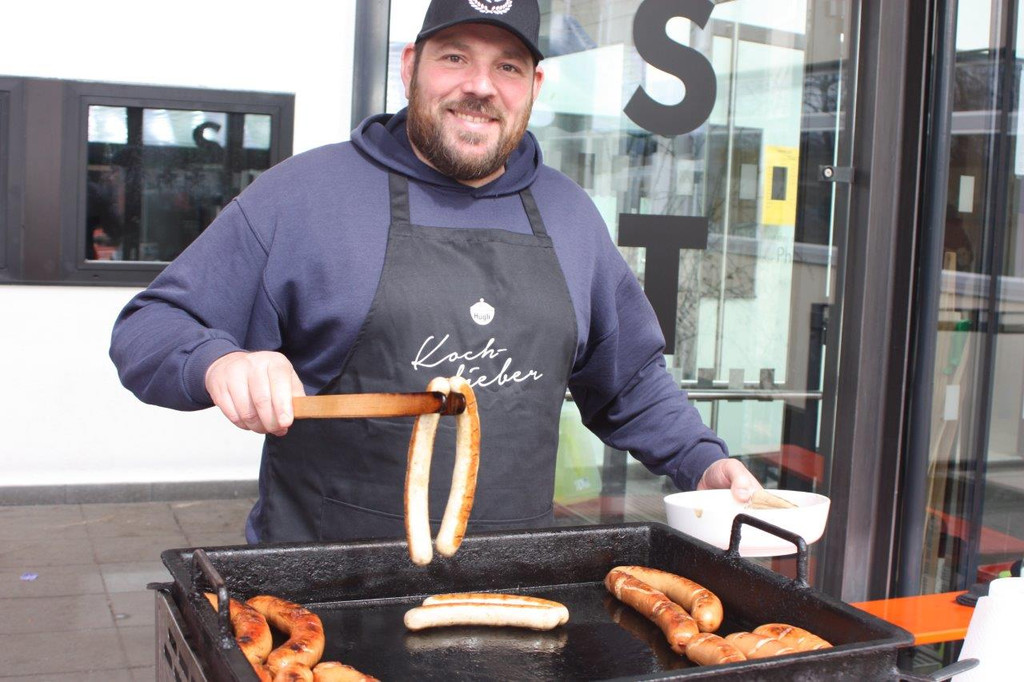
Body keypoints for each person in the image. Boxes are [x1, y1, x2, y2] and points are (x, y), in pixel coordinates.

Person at [109, 0, 760, 545]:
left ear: (534, 87)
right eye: (454, 57)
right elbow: (150, 327)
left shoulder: (570, 216)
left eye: (507, 66)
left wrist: (702, 462)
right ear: (409, 67)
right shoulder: (306, 196)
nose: (481, 86)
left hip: (511, 588)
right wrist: (219, 362)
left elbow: (630, 380)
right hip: (322, 594)